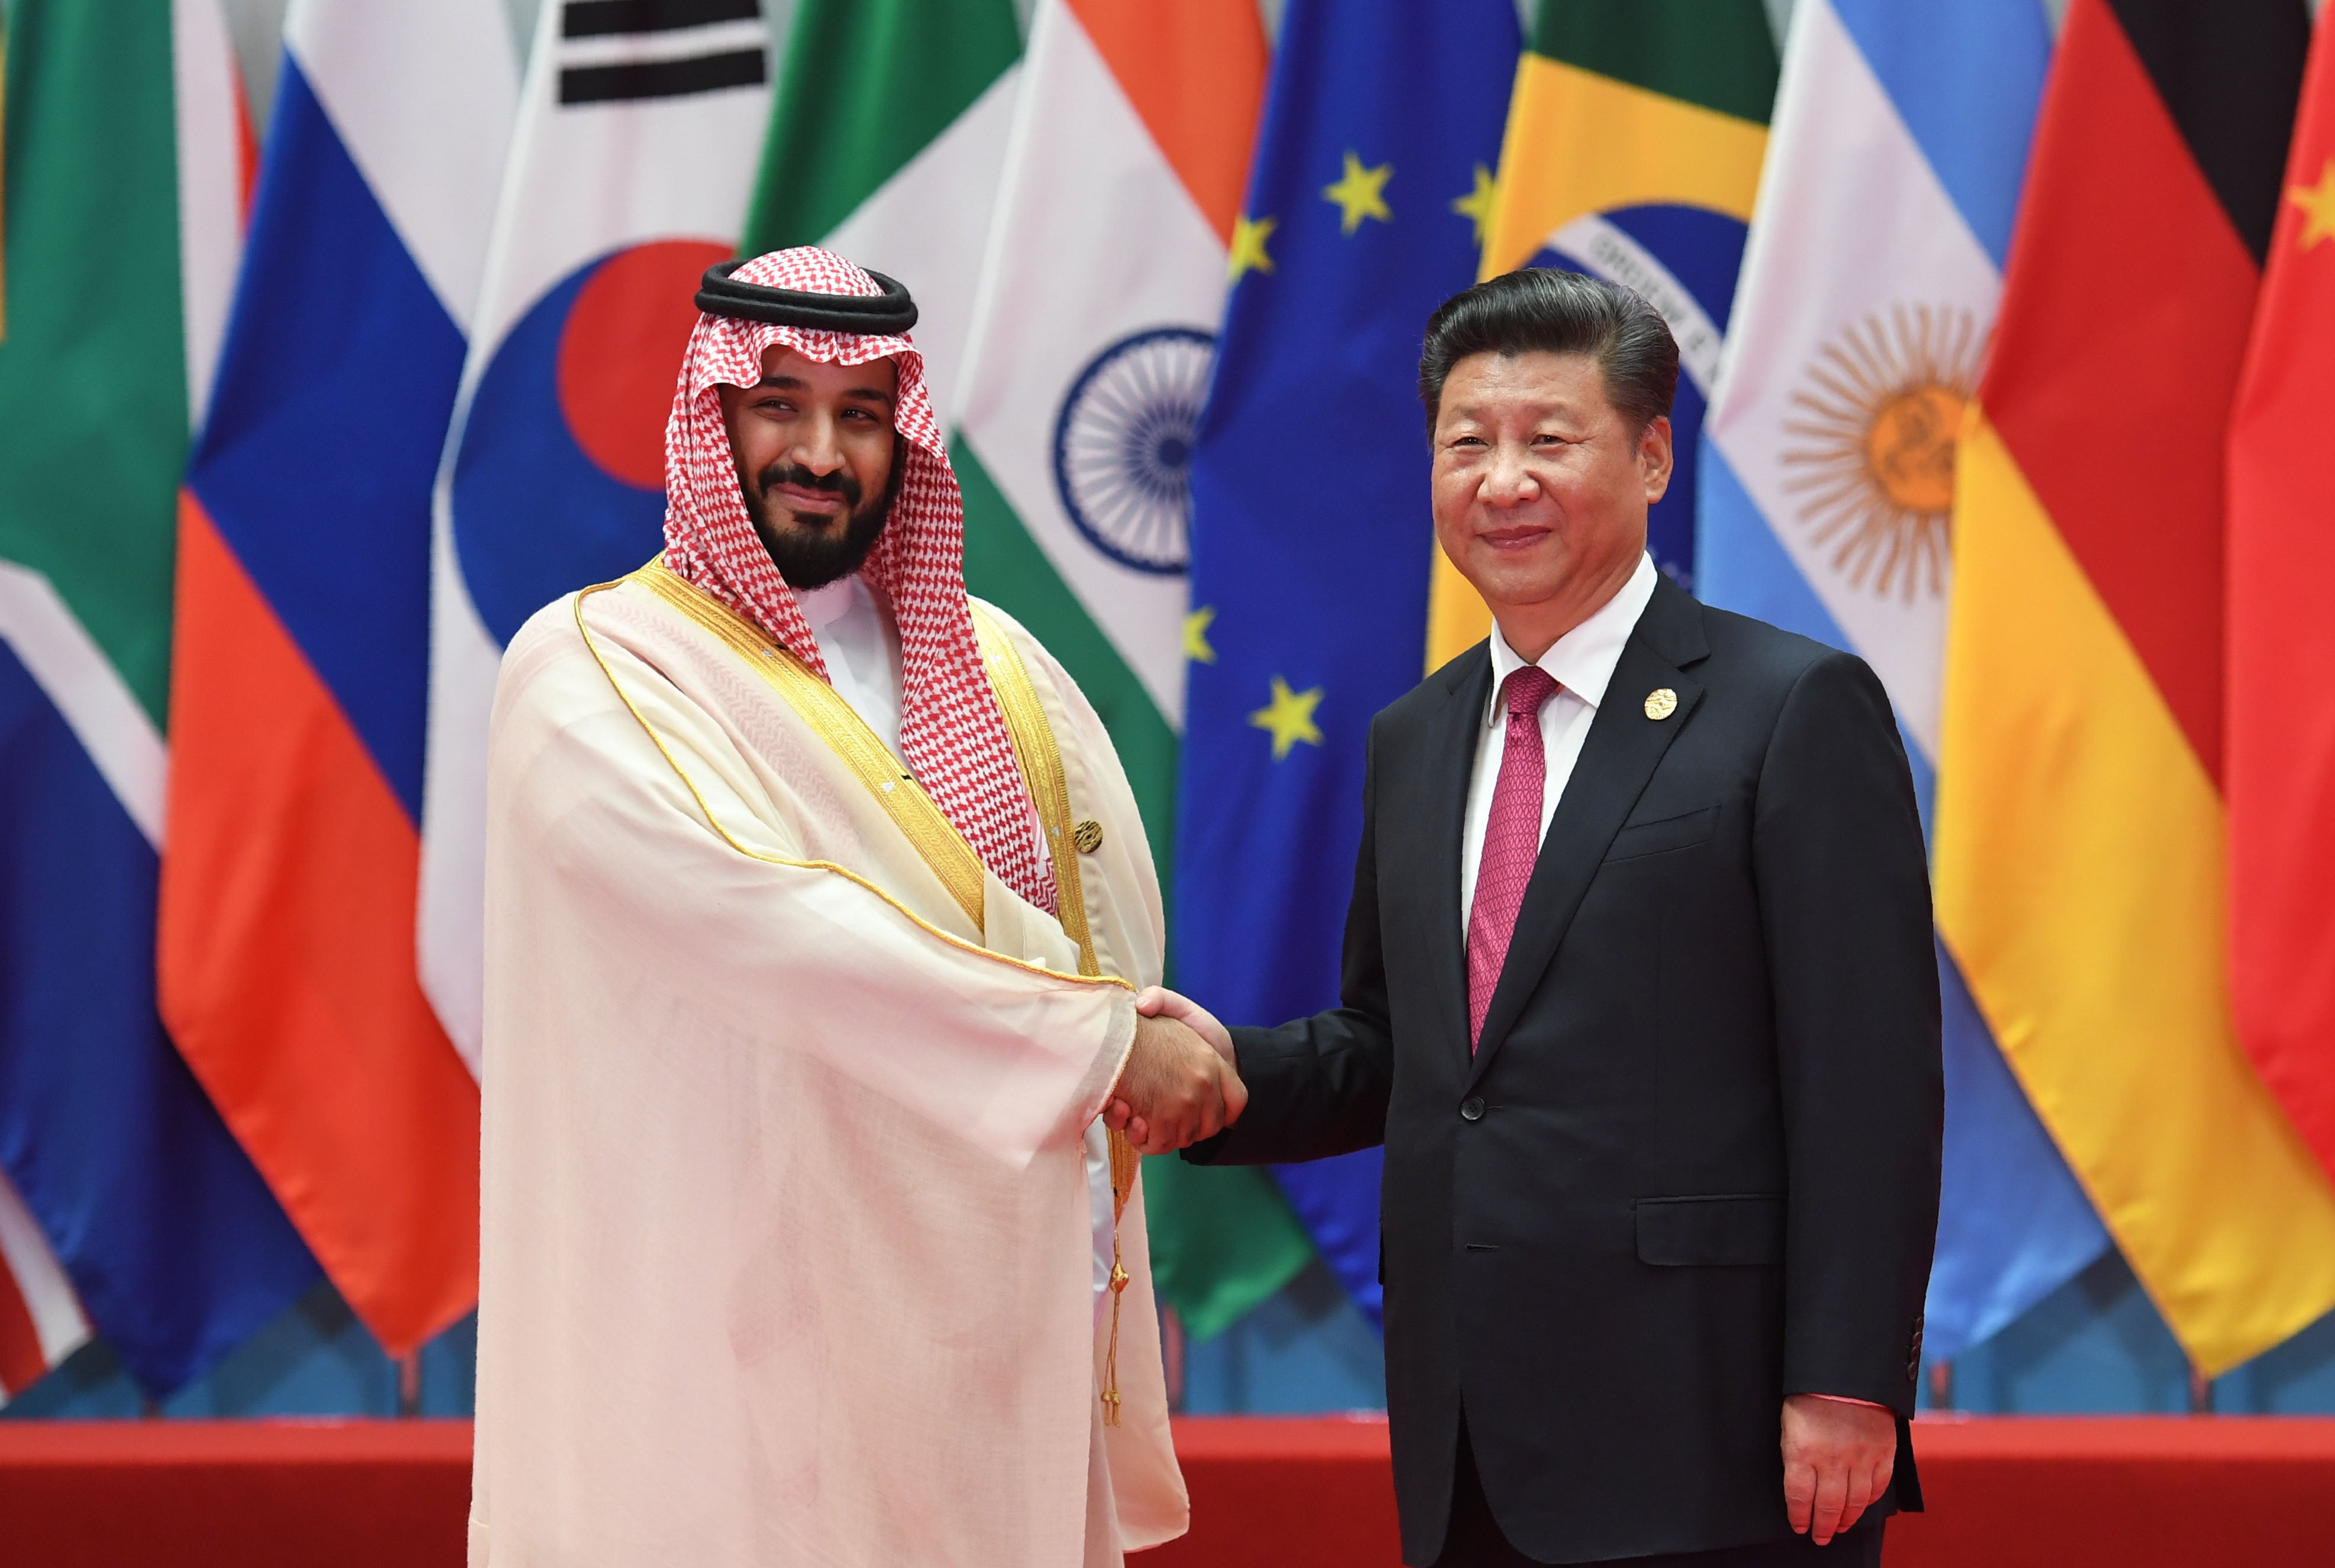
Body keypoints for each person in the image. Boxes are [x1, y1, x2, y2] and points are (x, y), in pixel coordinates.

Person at [1135, 270, 1942, 1566]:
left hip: (1716, 1427)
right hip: (1468, 1429)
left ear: (1653, 454)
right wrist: (1215, 1076)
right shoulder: (1418, 735)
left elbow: (1869, 1077)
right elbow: (1405, 1050)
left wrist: (1850, 1381)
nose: (1502, 481)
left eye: (1549, 440)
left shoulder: (1791, 707)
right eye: (1469, 443)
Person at [467, 247, 1242, 1567]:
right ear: (708, 420)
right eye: (778, 404)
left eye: (862, 414)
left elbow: (1097, 918)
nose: (821, 451)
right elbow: (765, 926)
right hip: (728, 1346)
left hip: (981, 1321)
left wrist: (1144, 1021)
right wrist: (1104, 1044)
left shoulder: (1002, 663)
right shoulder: (595, 670)